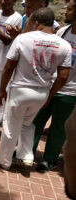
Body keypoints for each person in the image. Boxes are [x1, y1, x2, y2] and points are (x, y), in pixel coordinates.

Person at [0, 8, 71, 170]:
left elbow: (8, 67)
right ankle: (26, 156)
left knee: (10, 127)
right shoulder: (64, 45)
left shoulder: (23, 39)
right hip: (41, 92)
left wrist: (1, 90)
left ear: (36, 22)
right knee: (28, 125)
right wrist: (50, 94)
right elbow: (63, 76)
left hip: (20, 90)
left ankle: (3, 160)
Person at [32, 0, 76, 173]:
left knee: (58, 127)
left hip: (70, 91)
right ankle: (26, 151)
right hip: (50, 86)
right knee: (37, 120)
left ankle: (49, 159)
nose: (66, 11)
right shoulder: (63, 31)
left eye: (70, 9)